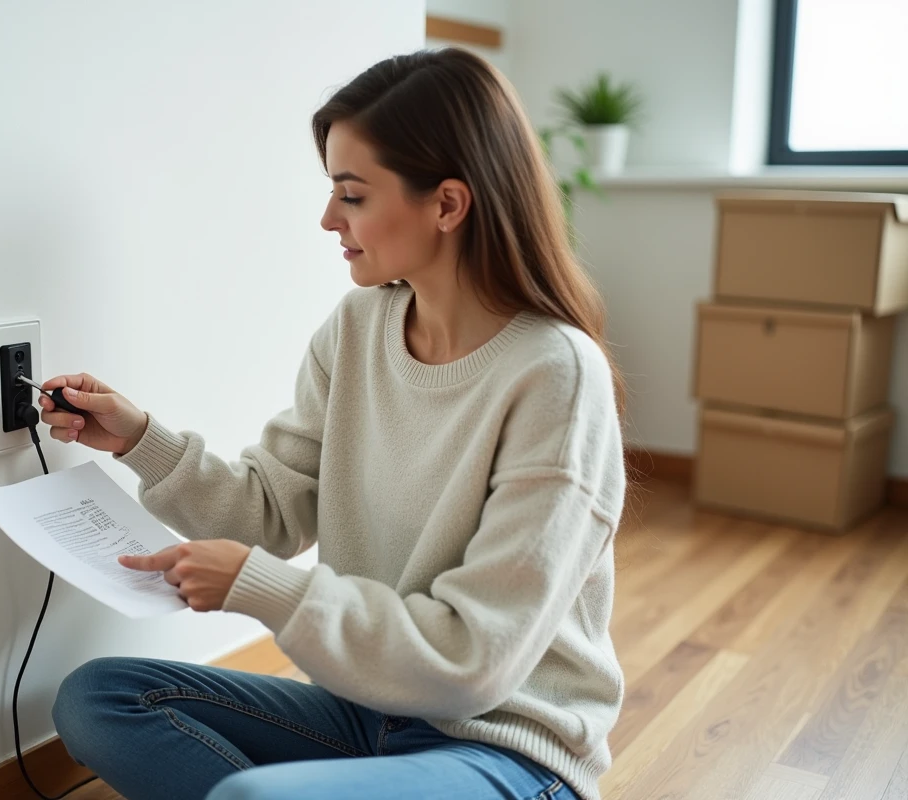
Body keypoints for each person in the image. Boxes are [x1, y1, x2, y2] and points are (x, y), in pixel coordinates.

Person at [46, 48, 625, 800]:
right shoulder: (358, 329)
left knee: (247, 797)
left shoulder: (554, 374)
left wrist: (263, 590)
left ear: (448, 205)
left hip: (506, 749)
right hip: (368, 717)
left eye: (351, 196)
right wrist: (138, 439)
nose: (328, 220)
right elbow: (273, 509)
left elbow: (475, 658)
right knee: (99, 699)